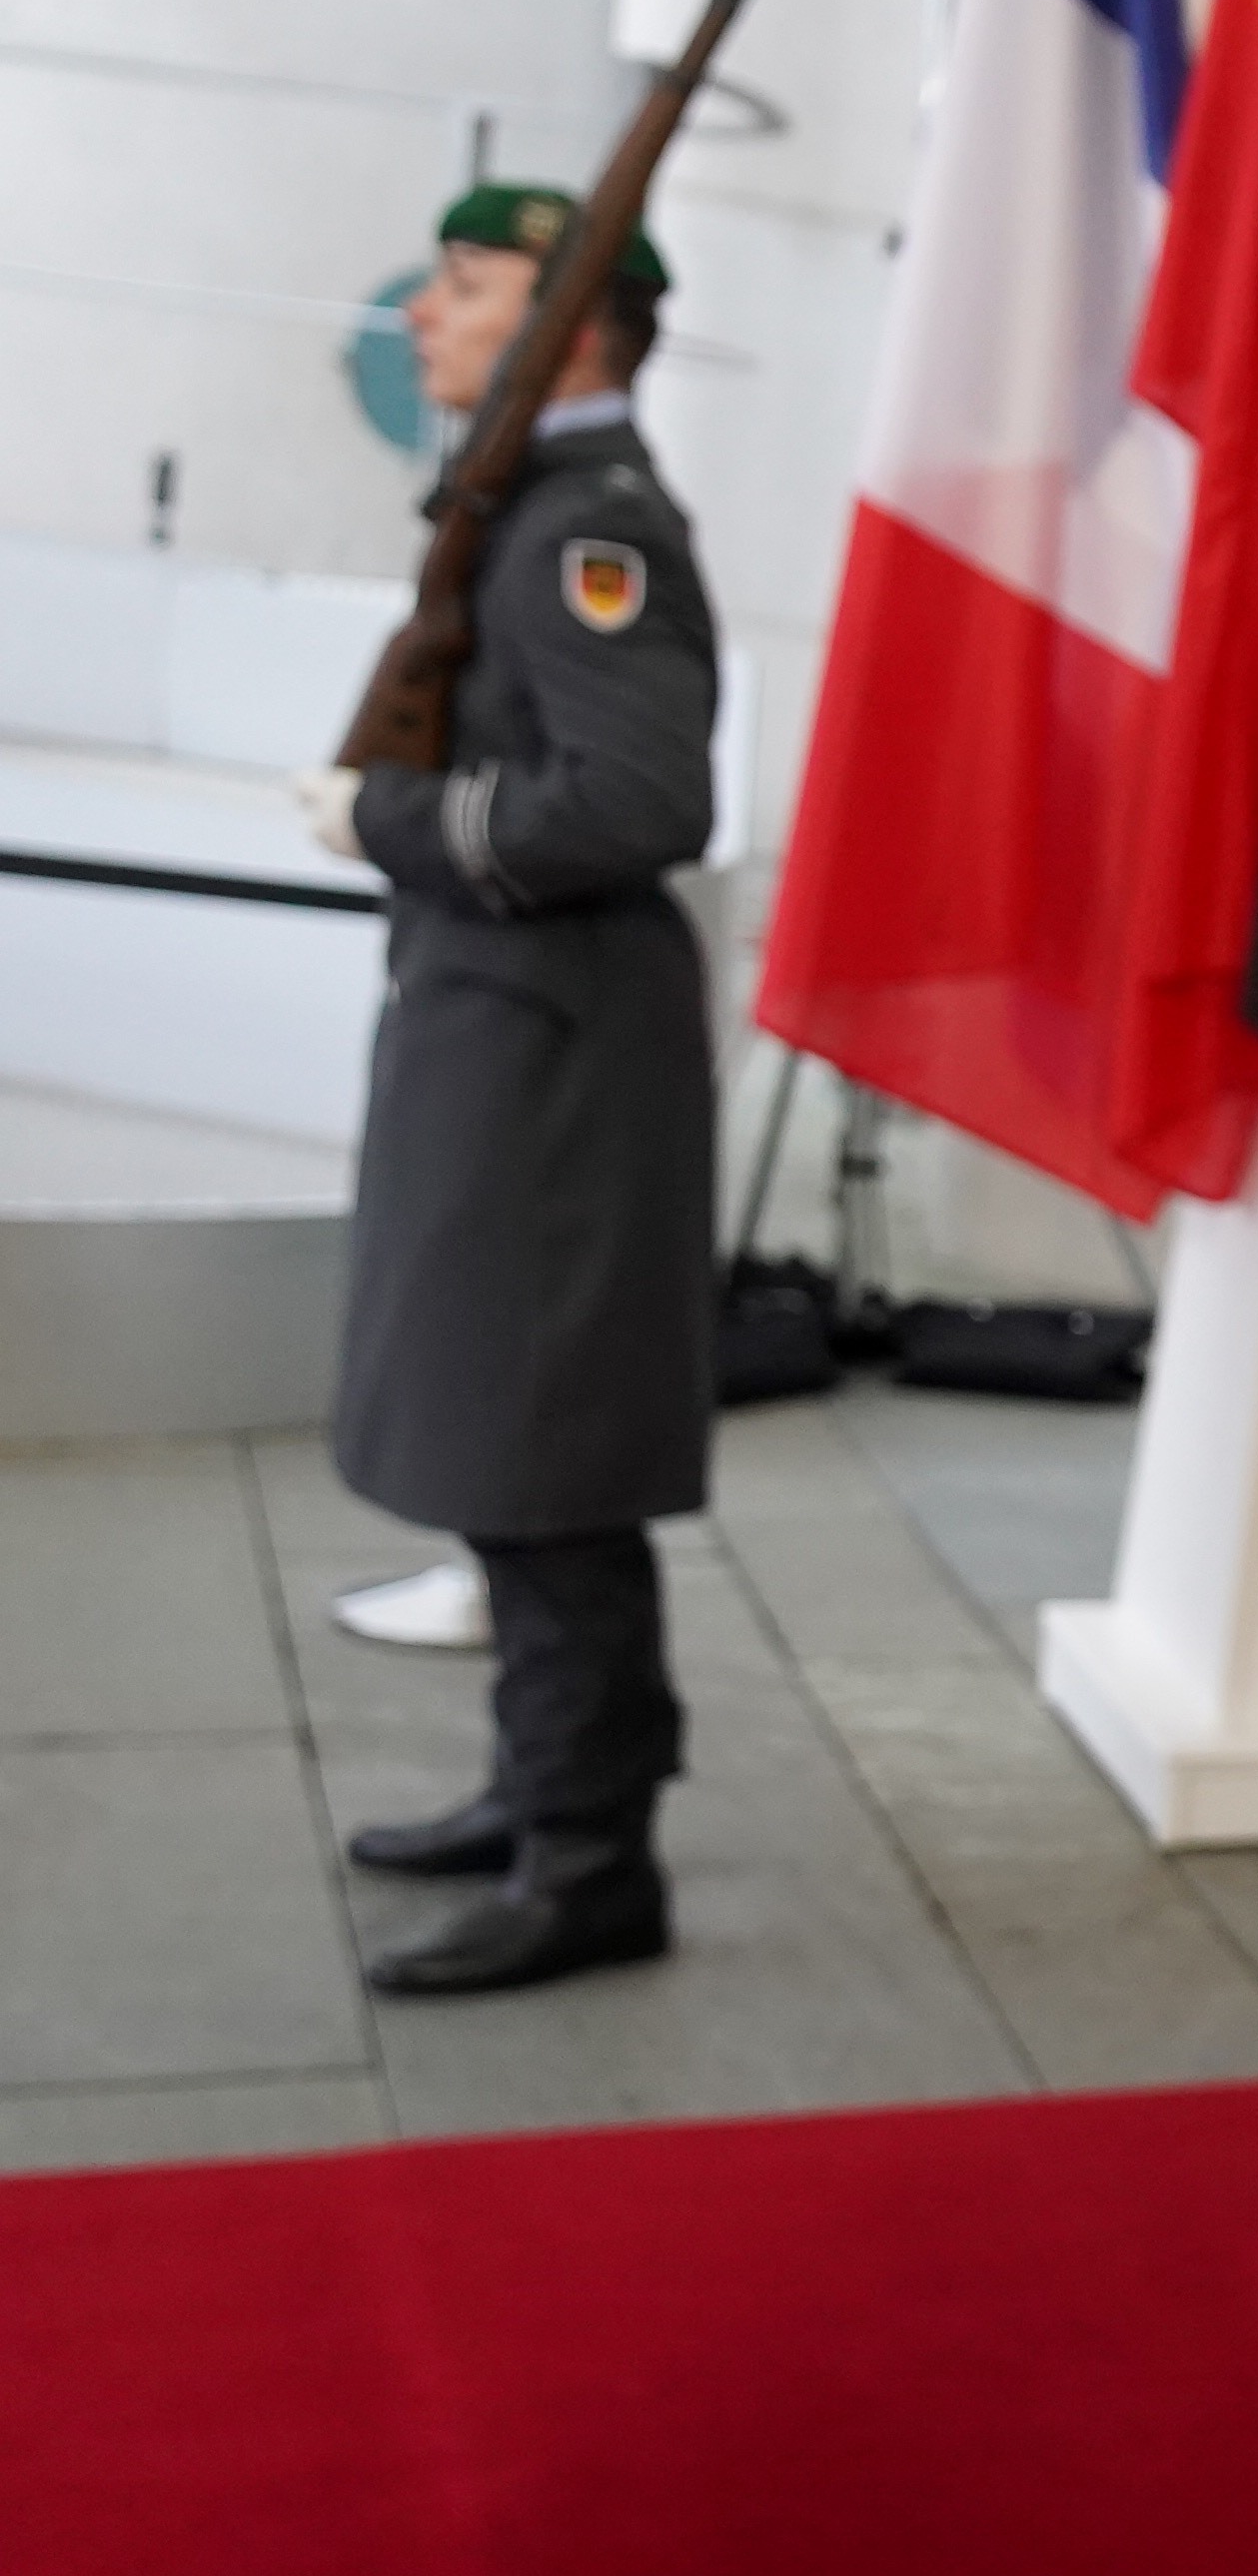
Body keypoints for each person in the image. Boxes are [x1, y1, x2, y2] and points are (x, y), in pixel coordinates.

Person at [307, 183, 719, 1995]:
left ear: (574, 324)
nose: (423, 310)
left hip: (553, 1046)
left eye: (466, 284)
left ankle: (589, 1861)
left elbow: (642, 800)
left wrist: (389, 818)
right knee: (507, 1432)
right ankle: (541, 1789)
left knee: (549, 1458)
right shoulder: (535, 503)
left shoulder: (587, 528)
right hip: (509, 1018)